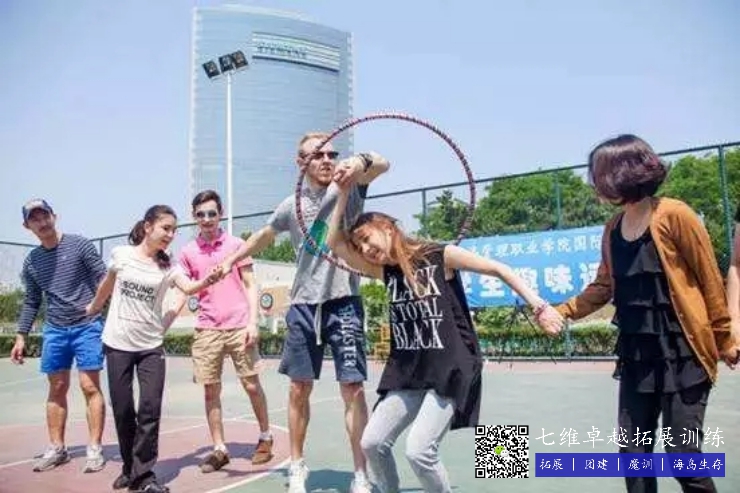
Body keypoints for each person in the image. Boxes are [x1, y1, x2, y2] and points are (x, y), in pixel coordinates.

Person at [325, 175, 563, 493]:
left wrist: (540, 306)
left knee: (419, 451)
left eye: (367, 238)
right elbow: (333, 242)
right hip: (410, 370)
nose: (366, 249)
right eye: (360, 246)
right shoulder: (385, 270)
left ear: (388, 228)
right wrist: (342, 193)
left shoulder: (438, 255)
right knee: (371, 442)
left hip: (451, 365)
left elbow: (499, 269)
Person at [554, 134, 740, 493]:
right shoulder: (612, 229)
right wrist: (562, 312)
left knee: (682, 456)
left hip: (684, 355)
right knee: (633, 456)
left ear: (621, 174)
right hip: (638, 358)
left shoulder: (675, 214)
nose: (594, 185)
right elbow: (603, 286)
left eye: (598, 175)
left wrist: (725, 338)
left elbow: (709, 280)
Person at [218, 132, 390, 493]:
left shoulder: (349, 189)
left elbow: (382, 163)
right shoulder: (290, 205)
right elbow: (265, 235)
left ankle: (361, 472)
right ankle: (297, 465)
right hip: (303, 305)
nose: (327, 159)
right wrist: (232, 259)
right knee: (299, 388)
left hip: (344, 302)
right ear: (302, 163)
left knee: (354, 388)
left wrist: (360, 161)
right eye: (318, 155)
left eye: (332, 154)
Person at [86, 205, 222, 493]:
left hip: (150, 346)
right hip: (118, 344)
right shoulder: (121, 255)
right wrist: (94, 307)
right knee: (123, 410)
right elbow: (107, 285)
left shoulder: (168, 266)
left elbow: (189, 287)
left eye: (174, 230)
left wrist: (208, 280)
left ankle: (144, 476)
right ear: (148, 227)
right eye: (166, 228)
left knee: (149, 409)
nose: (170, 234)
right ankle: (130, 469)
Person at [10, 198, 108, 474]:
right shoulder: (32, 261)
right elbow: (31, 300)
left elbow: (104, 278)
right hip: (55, 329)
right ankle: (57, 448)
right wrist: (21, 335)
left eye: (45, 215)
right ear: (27, 226)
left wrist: (96, 305)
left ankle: (94, 448)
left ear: (54, 216)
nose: (42, 222)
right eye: (34, 219)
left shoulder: (80, 245)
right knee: (56, 388)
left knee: (89, 386)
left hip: (87, 326)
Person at [178, 189, 273, 473]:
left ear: (221, 214)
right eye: (201, 214)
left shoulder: (236, 245)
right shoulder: (188, 252)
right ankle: (219, 449)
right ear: (194, 216)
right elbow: (184, 289)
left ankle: (265, 437)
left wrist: (253, 322)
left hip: (239, 325)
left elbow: (250, 284)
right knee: (210, 390)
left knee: (251, 385)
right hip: (207, 329)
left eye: (212, 213)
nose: (207, 219)